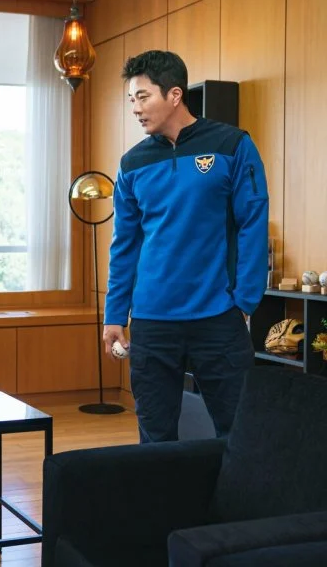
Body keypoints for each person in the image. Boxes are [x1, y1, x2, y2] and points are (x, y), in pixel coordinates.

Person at [103, 50, 268, 443]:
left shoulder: (232, 145)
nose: (135, 108)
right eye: (131, 99)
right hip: (152, 321)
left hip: (218, 315)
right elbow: (124, 244)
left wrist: (245, 301)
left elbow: (252, 222)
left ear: (174, 95)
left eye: (143, 97)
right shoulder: (132, 164)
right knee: (154, 438)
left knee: (239, 434)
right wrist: (115, 315)